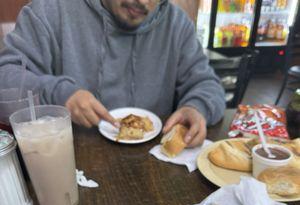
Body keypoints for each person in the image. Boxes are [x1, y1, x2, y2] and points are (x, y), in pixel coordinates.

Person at [0, 0, 225, 147]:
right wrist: (60, 94)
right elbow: (5, 79)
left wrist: (197, 107)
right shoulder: (51, 11)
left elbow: (207, 83)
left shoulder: (177, 24)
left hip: (156, 162)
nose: (143, 2)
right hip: (68, 158)